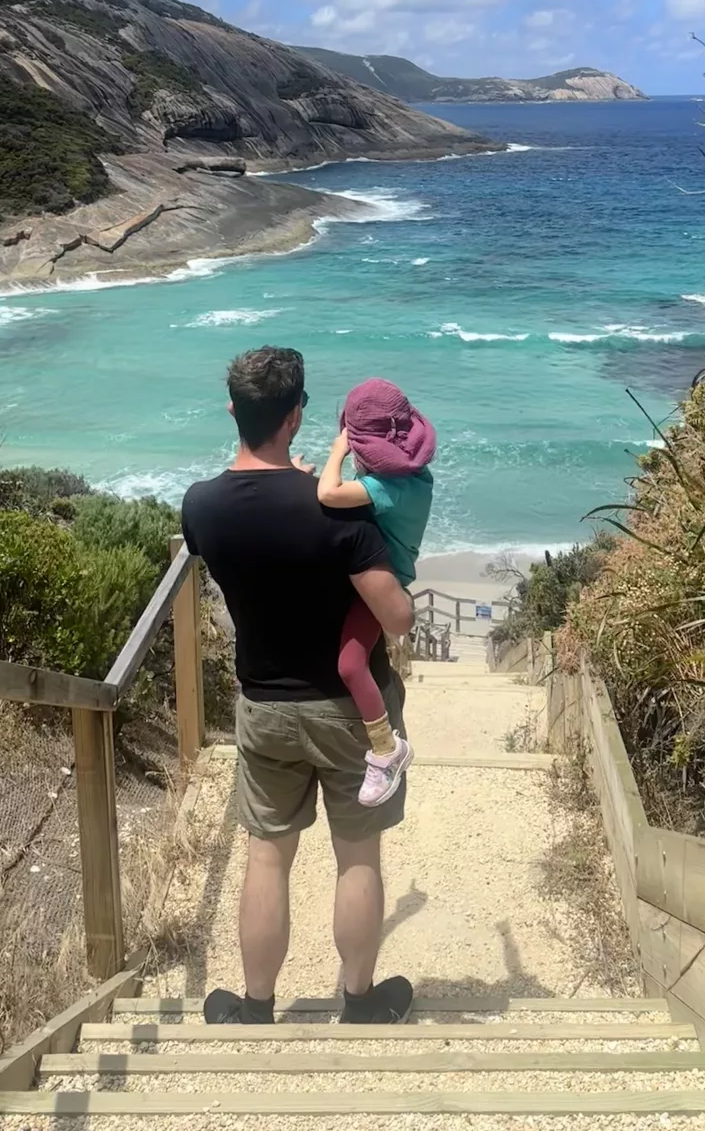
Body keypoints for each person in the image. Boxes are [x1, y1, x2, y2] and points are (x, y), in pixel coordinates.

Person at [181, 346, 416, 1027]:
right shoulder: (338, 513)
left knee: (266, 856)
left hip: (265, 709)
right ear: (295, 417)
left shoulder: (202, 508)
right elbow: (395, 617)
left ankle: (256, 1007)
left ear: (235, 412)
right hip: (352, 715)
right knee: (358, 856)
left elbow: (255, 539)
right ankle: (360, 1001)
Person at [317, 379, 435, 807]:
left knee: (350, 665)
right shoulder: (415, 479)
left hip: (380, 582)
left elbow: (329, 493)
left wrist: (336, 453)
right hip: (381, 575)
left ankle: (387, 749)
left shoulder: (387, 490)